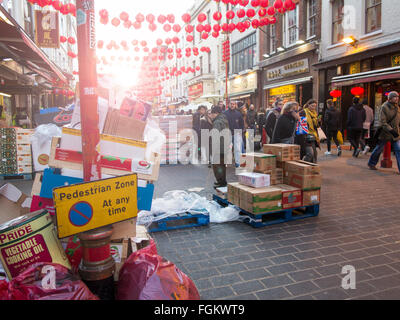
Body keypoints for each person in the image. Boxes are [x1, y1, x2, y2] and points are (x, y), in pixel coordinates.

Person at [368, 91, 400, 173]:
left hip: (396, 133)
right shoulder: (384, 107)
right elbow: (383, 122)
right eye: (394, 97)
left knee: (398, 149)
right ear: (389, 99)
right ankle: (371, 163)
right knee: (379, 149)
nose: (396, 98)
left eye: (397, 97)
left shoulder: (397, 107)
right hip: (385, 133)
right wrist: (391, 130)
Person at [209, 106, 230, 188]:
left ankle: (221, 182)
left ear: (216, 113)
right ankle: (222, 181)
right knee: (222, 165)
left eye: (212, 113)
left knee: (217, 165)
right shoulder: (224, 119)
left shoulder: (217, 122)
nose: (211, 115)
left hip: (219, 147)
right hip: (224, 145)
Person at [224, 100, 244, 167]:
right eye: (231, 104)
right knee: (227, 149)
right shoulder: (225, 113)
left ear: (235, 105)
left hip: (236, 133)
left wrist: (241, 131)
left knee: (238, 149)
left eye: (233, 104)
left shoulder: (238, 113)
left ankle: (238, 163)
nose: (232, 105)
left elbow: (242, 123)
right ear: (228, 104)